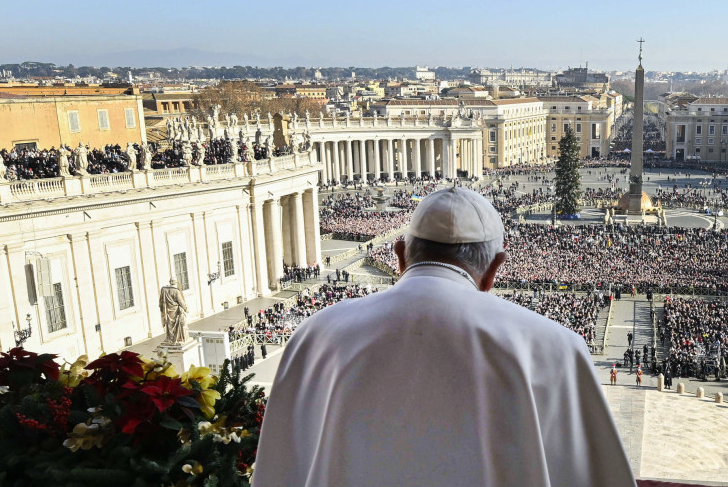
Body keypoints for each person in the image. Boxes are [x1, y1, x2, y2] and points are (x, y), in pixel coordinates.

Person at [254, 187, 635, 487]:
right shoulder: (554, 346)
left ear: (400, 254)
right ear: (494, 269)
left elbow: (281, 468)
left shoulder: (317, 334)